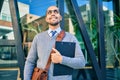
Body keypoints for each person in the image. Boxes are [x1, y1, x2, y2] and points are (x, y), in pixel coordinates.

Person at [24, 6, 86, 80]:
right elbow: (30, 62)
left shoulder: (71, 38)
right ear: (46, 19)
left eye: (56, 12)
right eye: (49, 12)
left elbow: (81, 62)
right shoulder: (38, 38)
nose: (53, 14)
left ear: (60, 17)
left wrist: (62, 59)